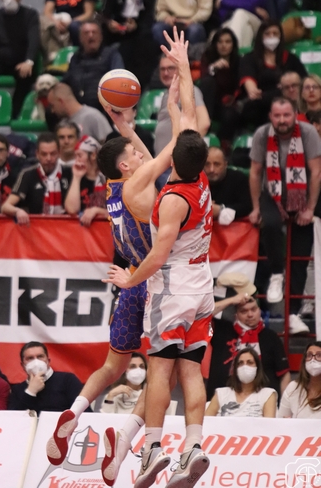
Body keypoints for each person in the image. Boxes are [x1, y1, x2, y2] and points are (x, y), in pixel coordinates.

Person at [46, 28, 192, 486]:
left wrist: (124, 127)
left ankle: (74, 412)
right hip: (155, 280)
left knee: (112, 366)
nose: (139, 154)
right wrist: (176, 99)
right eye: (133, 153)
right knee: (164, 374)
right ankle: (128, 436)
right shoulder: (138, 185)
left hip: (129, 281)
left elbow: (139, 156)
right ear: (128, 166)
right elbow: (173, 149)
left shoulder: (113, 186)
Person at [106, 31, 214, 488]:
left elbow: (155, 256)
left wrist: (129, 282)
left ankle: (152, 449)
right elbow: (187, 123)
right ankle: (194, 447)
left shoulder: (161, 197)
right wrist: (183, 69)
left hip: (172, 287)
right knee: (192, 371)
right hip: (203, 283)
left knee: (159, 370)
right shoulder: (200, 177)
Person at [248, 97, 321, 334]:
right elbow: (255, 172)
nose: (282, 120)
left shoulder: (309, 133)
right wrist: (256, 207)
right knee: (269, 224)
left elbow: (316, 172)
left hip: (302, 197)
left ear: (295, 115)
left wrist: (310, 208)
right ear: (271, 116)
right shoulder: (262, 134)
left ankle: (293, 314)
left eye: (286, 115)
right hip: (272, 194)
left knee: (301, 255)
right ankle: (277, 274)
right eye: (277, 116)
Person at [207, 295, 291, 402]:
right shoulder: (222, 331)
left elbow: (284, 374)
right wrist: (231, 300)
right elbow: (203, 314)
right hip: (223, 399)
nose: (250, 315)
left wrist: (284, 405)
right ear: (236, 314)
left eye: (253, 309)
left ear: (259, 310)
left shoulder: (271, 337)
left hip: (262, 401)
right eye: (244, 311)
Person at [102, 0, 157, 88]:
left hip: (140, 33)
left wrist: (137, 25)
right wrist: (110, 24)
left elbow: (150, 16)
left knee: (145, 43)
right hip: (117, 34)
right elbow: (105, 15)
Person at [239, 20, 307, 129]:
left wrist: (286, 89)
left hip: (290, 102)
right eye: (267, 34)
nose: (271, 37)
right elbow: (253, 92)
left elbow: (304, 83)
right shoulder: (249, 59)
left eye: (275, 34)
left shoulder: (291, 59)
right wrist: (281, 90)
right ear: (261, 36)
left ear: (281, 36)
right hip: (261, 106)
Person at [1, 132, 68, 224]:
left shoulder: (70, 172)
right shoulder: (28, 174)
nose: (48, 158)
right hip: (37, 229)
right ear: (37, 154)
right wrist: (18, 211)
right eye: (44, 154)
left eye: (53, 154)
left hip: (65, 229)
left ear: (59, 153)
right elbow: (5, 207)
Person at [154, 53, 210, 157]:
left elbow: (204, 122)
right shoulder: (167, 94)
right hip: (164, 161)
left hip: (177, 161)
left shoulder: (188, 90)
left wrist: (185, 151)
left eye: (170, 68)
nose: (166, 73)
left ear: (180, 69)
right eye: (162, 69)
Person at [62, 20, 124, 111]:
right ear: (80, 38)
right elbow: (66, 81)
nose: (91, 35)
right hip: (77, 109)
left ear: (101, 37)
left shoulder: (111, 54)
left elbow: (119, 79)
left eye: (94, 32)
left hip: (104, 108)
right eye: (86, 33)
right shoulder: (76, 58)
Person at [8, 341, 85, 415]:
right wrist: (30, 392)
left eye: (40, 357)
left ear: (48, 361)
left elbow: (84, 413)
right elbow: (13, 419)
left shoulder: (67, 380)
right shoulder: (17, 390)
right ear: (22, 365)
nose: (36, 362)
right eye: (30, 358)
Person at [206, 347, 277, 417]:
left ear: (257, 368)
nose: (245, 366)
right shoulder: (221, 394)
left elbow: (268, 423)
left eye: (250, 362)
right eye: (240, 363)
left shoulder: (267, 394)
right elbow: (205, 421)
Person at [199, 28, 242, 142]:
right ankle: (204, 124)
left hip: (228, 104)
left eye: (227, 42)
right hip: (209, 104)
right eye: (220, 42)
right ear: (215, 44)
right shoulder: (207, 57)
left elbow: (239, 85)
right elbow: (203, 81)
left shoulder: (238, 61)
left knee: (231, 114)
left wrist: (233, 98)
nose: (224, 45)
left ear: (233, 44)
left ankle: (221, 144)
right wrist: (213, 69)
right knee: (208, 81)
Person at [46, 81, 112, 141]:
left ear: (61, 101)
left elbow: (110, 144)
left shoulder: (93, 116)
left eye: (52, 105)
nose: (52, 111)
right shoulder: (63, 123)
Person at [64, 135, 107, 226]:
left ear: (93, 155)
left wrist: (96, 211)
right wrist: (76, 177)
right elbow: (72, 210)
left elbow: (120, 212)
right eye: (75, 156)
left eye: (79, 155)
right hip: (82, 231)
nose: (77, 160)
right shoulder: (72, 175)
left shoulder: (109, 177)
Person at [204, 146, 251, 224]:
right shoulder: (196, 182)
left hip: (234, 228)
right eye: (207, 164)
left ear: (225, 164)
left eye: (217, 164)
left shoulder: (238, 179)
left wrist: (221, 209)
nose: (211, 169)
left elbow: (247, 207)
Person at [279, 341, 321, 419]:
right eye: (309, 355)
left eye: (319, 355)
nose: (313, 359)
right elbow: (281, 419)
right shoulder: (293, 388)